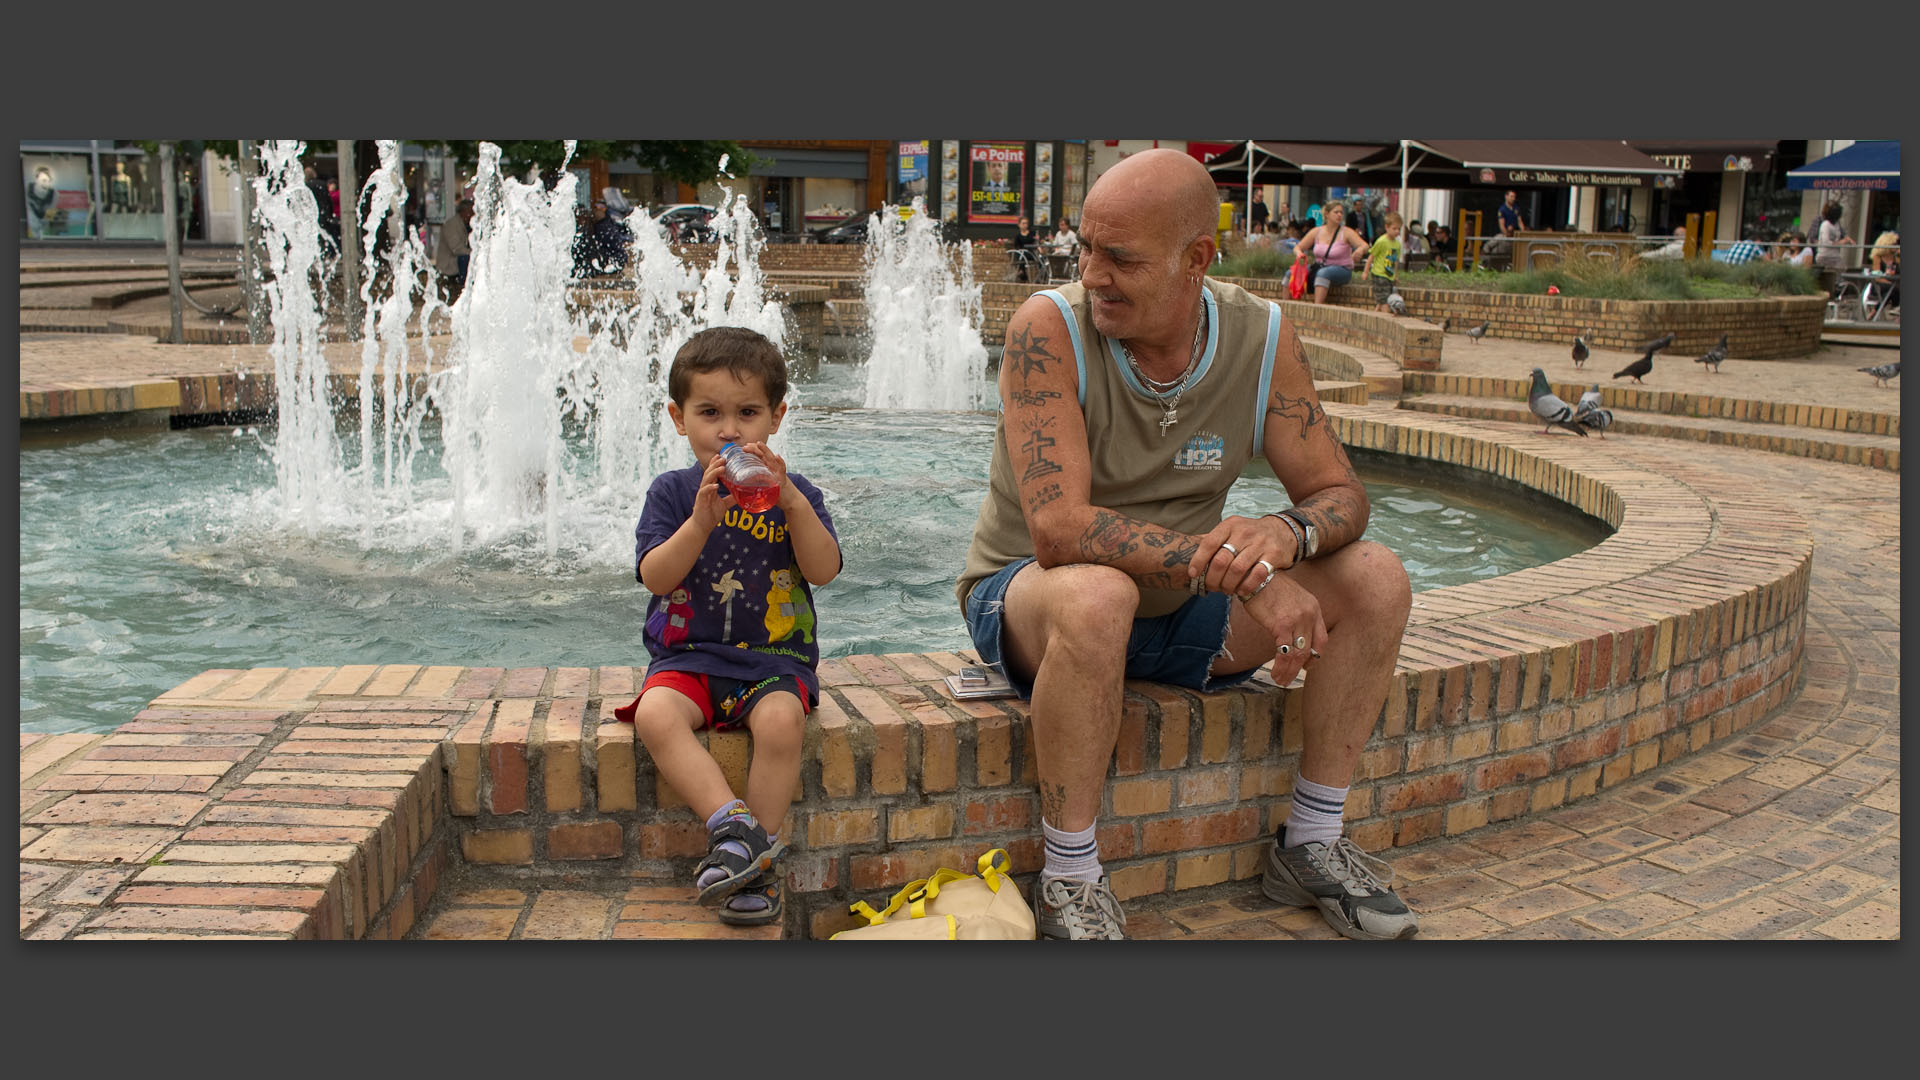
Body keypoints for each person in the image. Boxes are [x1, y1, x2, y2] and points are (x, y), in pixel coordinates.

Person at [957, 148, 1417, 940]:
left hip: (1182, 616)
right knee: (1101, 595)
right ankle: (1069, 877)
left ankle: (1312, 840)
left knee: (1375, 578)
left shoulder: (1262, 336)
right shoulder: (1051, 327)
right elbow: (1060, 529)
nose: (1092, 273)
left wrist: (1284, 533)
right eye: (1086, 248)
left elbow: (1342, 496)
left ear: (1195, 258)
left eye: (1120, 257)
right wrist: (1245, 577)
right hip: (1037, 600)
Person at [614, 326, 842, 927]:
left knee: (781, 722)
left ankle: (752, 866)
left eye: (748, 413)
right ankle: (735, 830)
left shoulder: (799, 495)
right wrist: (699, 524)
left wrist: (792, 502)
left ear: (776, 417)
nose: (730, 430)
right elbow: (657, 577)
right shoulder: (671, 493)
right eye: (709, 412)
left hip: (772, 662)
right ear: (677, 417)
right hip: (688, 659)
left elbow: (823, 570)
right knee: (656, 715)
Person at [1295, 199, 1369, 304]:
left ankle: (1317, 308)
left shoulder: (1347, 232)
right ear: (1327, 214)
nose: (1339, 215)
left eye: (1341, 212)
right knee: (1292, 273)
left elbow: (1365, 245)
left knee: (1323, 273)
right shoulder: (1317, 231)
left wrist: (1360, 250)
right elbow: (1298, 247)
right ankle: (1283, 310)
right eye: (1336, 212)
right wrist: (1299, 253)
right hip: (1319, 266)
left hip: (1342, 270)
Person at [1364, 211, 1405, 310]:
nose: (1397, 231)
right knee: (1385, 301)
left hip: (1389, 276)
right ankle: (1384, 318)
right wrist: (1366, 271)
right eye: (1394, 228)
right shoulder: (1381, 241)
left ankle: (1374, 318)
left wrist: (1395, 275)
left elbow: (1395, 261)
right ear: (1387, 227)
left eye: (1399, 229)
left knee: (1382, 300)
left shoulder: (1397, 244)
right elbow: (1371, 256)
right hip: (1379, 275)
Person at [433, 197, 473, 297]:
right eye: (471, 212)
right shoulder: (451, 225)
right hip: (448, 263)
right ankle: (465, 288)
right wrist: (474, 253)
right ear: (464, 211)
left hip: (456, 259)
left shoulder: (464, 224)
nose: (473, 215)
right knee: (467, 259)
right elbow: (457, 249)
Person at [1813, 202, 1852, 296]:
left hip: (1835, 256)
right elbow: (1826, 242)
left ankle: (1837, 292)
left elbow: (1842, 234)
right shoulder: (1825, 225)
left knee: (1841, 273)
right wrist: (1840, 243)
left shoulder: (1837, 225)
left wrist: (1848, 239)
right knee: (1827, 277)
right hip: (1825, 255)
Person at [1012, 214, 1042, 282]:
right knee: (1021, 256)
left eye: (1026, 223)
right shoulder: (1018, 236)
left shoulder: (1032, 233)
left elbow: (1036, 242)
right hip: (1022, 253)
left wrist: (1038, 246)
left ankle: (1038, 277)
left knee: (1041, 259)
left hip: (1032, 252)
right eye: (1023, 223)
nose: (1025, 225)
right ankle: (1023, 274)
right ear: (1019, 225)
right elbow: (1016, 247)